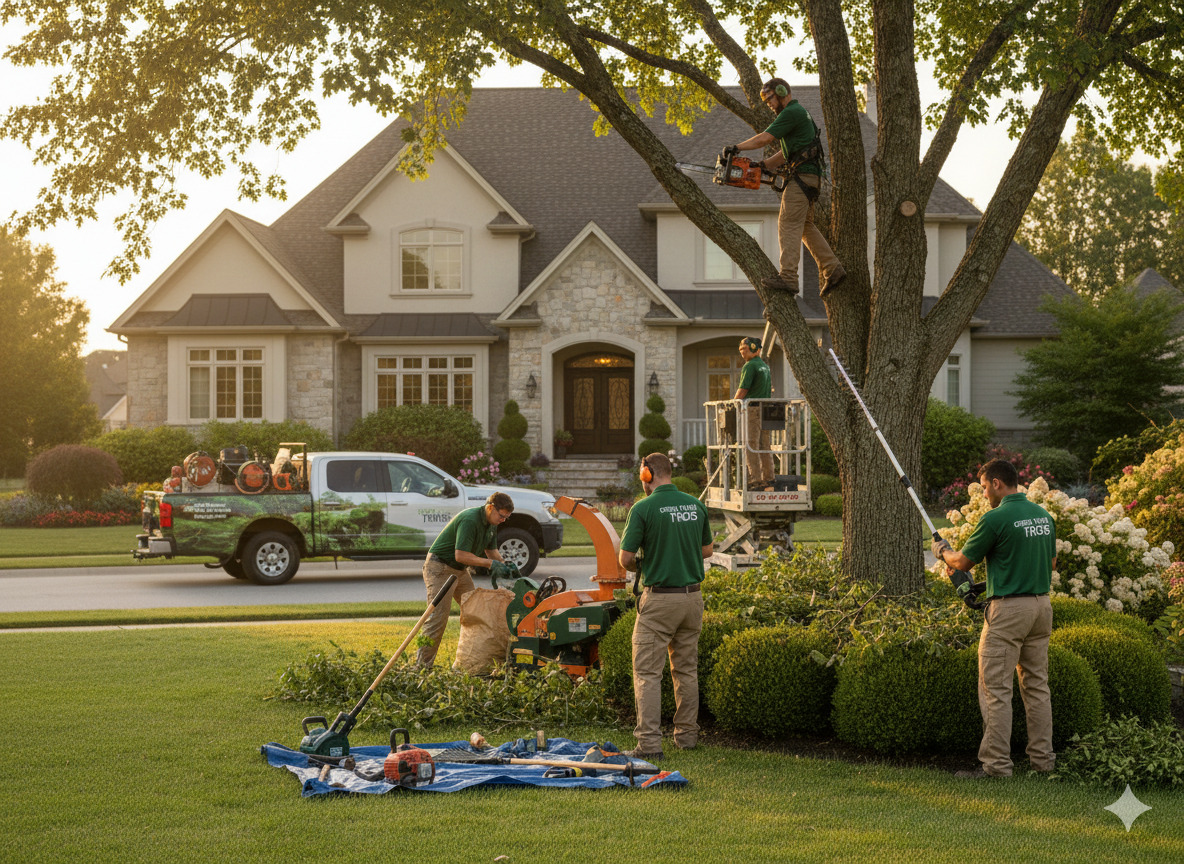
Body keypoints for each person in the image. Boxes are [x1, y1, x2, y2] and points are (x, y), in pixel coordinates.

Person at [932, 459, 1057, 778]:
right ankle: (1043, 763)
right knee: (1037, 687)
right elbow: (1050, 565)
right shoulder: (1043, 517)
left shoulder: (996, 518)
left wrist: (942, 551)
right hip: (1041, 607)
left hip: (1008, 614)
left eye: (986, 487)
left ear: (998, 484)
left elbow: (961, 561)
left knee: (996, 689)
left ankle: (996, 767)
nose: (985, 493)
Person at [619, 452, 714, 760]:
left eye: (641, 475)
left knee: (647, 672)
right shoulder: (695, 505)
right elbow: (707, 550)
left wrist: (646, 563)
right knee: (686, 669)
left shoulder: (643, 508)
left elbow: (625, 559)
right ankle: (687, 737)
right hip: (692, 599)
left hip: (660, 601)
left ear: (648, 475)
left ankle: (648, 743)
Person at [733, 77, 845, 299]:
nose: (769, 104)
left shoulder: (791, 112)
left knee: (787, 223)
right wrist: (763, 166)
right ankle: (833, 269)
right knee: (804, 226)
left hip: (802, 178)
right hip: (810, 178)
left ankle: (788, 277)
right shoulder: (799, 115)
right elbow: (785, 154)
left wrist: (735, 148)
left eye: (770, 99)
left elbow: (763, 139)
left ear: (782, 91)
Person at [415, 491, 515, 668]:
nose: (503, 520)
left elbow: (491, 551)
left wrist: (505, 564)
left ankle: (472, 663)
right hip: (440, 567)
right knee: (438, 618)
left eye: (507, 517)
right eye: (502, 516)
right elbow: (460, 555)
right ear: (490, 507)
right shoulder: (470, 520)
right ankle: (421, 667)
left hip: (459, 570)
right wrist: (490, 564)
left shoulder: (492, 523)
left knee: (476, 612)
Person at [733, 336, 774, 491]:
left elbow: (743, 389)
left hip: (753, 410)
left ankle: (756, 480)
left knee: (751, 444)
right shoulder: (764, 365)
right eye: (740, 351)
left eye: (744, 350)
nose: (742, 353)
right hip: (765, 409)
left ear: (752, 348)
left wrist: (733, 403)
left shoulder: (749, 366)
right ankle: (769, 479)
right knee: (765, 445)